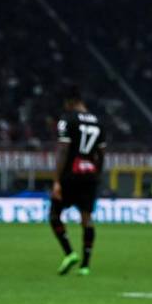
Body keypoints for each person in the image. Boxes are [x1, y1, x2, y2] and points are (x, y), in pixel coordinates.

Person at [49, 87, 106, 276]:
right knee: (86, 218)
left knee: (55, 215)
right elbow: (101, 154)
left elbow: (63, 150)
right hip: (90, 174)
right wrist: (97, 174)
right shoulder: (98, 122)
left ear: (69, 102)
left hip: (71, 174)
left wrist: (57, 180)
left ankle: (69, 253)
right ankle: (85, 265)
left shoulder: (67, 120)